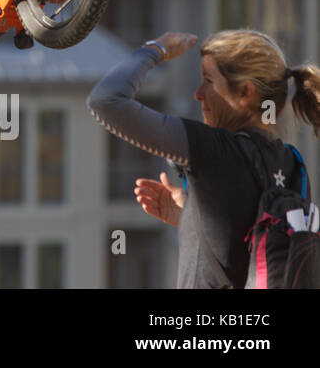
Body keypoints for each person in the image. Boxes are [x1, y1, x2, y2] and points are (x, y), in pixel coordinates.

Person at [88, 29, 320, 288]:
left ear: (245, 92)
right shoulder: (293, 165)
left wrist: (155, 49)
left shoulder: (215, 149)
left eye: (208, 80)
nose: (198, 93)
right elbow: (252, 254)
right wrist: (192, 217)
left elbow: (105, 101)